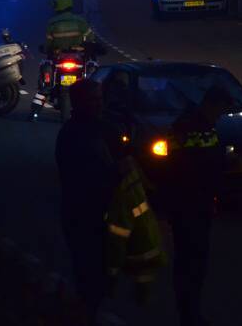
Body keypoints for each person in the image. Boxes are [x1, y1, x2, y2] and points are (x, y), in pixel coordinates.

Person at [161, 85, 233, 326]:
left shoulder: (204, 126)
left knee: (197, 263)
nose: (220, 116)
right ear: (212, 104)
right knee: (189, 263)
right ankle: (188, 314)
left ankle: (192, 312)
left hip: (198, 205)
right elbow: (184, 168)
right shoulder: (188, 127)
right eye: (221, 110)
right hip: (187, 206)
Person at [55, 82, 120, 323]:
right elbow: (88, 177)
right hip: (82, 216)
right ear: (79, 103)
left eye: (100, 99)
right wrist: (116, 173)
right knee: (89, 276)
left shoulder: (96, 129)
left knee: (98, 276)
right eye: (93, 100)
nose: (99, 104)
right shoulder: (75, 135)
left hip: (94, 216)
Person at [104, 135, 168, 306]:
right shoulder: (132, 172)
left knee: (142, 269)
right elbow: (149, 187)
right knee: (144, 273)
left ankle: (139, 298)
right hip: (148, 235)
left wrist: (111, 274)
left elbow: (118, 236)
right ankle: (143, 297)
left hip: (138, 244)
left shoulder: (120, 196)